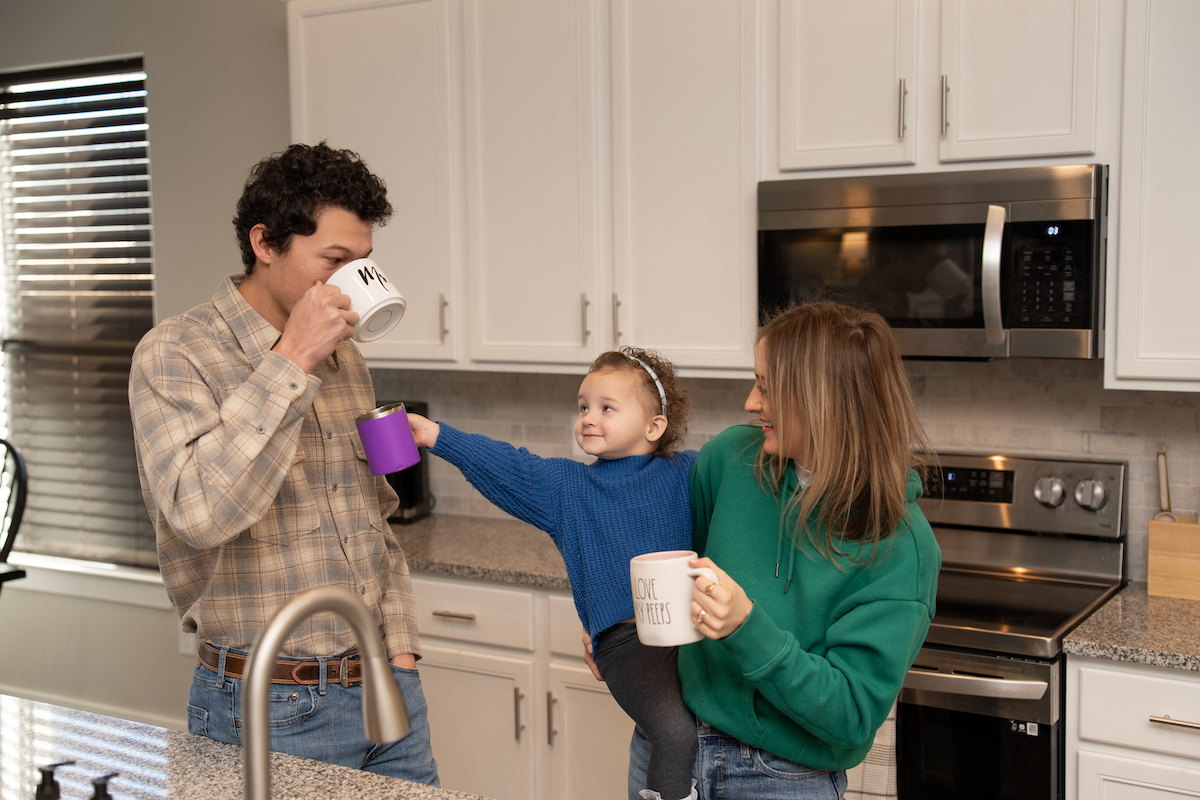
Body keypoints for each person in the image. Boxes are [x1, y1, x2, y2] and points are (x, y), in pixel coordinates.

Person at [129, 142, 438, 784]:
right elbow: (199, 514)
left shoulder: (347, 360)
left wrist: (401, 646)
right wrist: (289, 359)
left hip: (386, 684)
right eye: (334, 260)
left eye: (364, 263)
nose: (353, 282)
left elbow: (375, 510)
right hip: (272, 702)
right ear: (265, 243)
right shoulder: (174, 354)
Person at [596, 302, 940, 800]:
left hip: (782, 777)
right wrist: (613, 625)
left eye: (767, 386)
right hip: (671, 746)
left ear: (822, 400)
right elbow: (665, 557)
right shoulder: (729, 460)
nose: (750, 402)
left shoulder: (901, 549)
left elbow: (851, 716)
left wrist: (745, 627)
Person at [407, 347, 700, 800]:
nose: (587, 417)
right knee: (676, 733)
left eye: (606, 408)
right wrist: (435, 435)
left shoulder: (688, 473)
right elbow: (507, 464)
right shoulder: (569, 488)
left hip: (690, 634)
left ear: (654, 426)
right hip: (625, 646)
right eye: (583, 406)